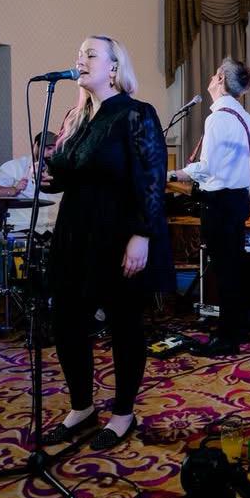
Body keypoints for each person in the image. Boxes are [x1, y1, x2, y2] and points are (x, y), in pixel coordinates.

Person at [39, 35, 172, 451]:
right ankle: (81, 406)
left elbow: (153, 179)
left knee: (124, 324)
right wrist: (49, 177)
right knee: (66, 322)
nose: (80, 59)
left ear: (114, 67)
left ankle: (123, 413)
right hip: (74, 233)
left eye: (90, 54)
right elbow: (69, 174)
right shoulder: (76, 117)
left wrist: (141, 235)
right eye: (78, 54)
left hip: (117, 233)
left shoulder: (135, 113)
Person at [171, 58, 250, 357]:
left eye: (215, 74)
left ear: (220, 80)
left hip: (220, 202)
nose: (210, 77)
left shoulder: (218, 118)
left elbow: (207, 168)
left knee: (224, 269)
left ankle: (227, 338)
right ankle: (238, 327)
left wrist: (173, 174)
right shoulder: (245, 116)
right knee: (234, 266)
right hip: (238, 199)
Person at [0, 131, 61, 231]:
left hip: (53, 229)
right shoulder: (15, 166)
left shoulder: (62, 170)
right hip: (21, 228)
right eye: (48, 148)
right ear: (35, 146)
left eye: (56, 150)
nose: (52, 153)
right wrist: (14, 190)